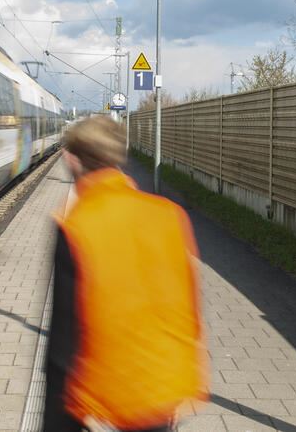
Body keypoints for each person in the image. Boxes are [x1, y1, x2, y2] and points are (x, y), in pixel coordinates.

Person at [44, 116, 208, 432]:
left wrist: (55, 421)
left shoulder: (76, 226)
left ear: (72, 160)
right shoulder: (169, 214)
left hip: (112, 390)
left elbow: (64, 343)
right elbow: (189, 304)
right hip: (169, 382)